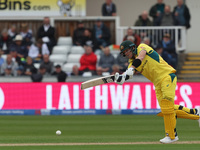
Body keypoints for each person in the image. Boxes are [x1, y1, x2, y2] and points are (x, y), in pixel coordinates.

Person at [114, 40, 200, 144]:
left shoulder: (142, 47)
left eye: (127, 51)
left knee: (167, 106)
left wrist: (131, 69)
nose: (126, 54)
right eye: (124, 52)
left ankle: (172, 136)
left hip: (167, 76)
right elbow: (128, 74)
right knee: (166, 109)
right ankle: (196, 113)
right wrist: (122, 78)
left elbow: (140, 57)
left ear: (132, 48)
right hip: (157, 83)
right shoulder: (132, 62)